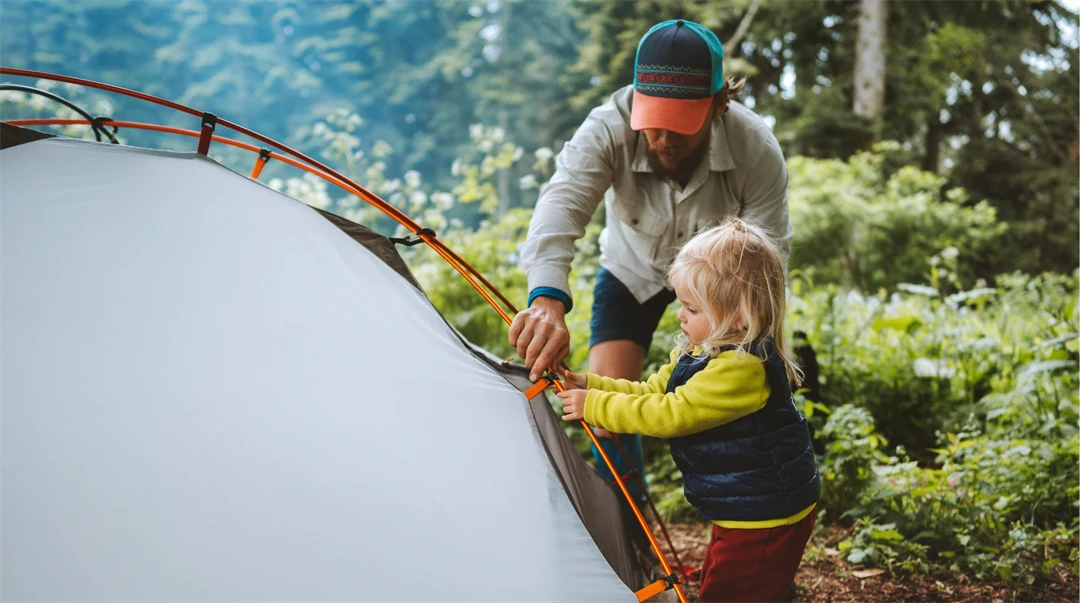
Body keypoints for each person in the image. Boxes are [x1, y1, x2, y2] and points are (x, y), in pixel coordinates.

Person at [508, 18, 792, 498]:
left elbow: (768, 262)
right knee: (603, 412)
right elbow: (561, 205)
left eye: (680, 123)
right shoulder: (607, 126)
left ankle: (747, 502)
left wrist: (760, 349)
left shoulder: (756, 148)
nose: (662, 137)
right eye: (653, 119)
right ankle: (630, 530)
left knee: (735, 397)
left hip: (721, 288)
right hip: (630, 269)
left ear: (720, 103)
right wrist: (547, 300)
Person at [557, 219, 819, 603]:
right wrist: (591, 384)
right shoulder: (701, 352)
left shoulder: (741, 369)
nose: (680, 315)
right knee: (729, 578)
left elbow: (670, 414)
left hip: (767, 511)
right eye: (682, 304)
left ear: (738, 316)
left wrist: (594, 407)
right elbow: (651, 390)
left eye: (692, 308)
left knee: (731, 591)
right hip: (743, 503)